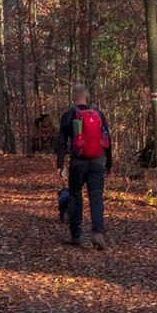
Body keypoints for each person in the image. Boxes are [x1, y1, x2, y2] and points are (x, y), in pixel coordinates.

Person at [54, 83, 113, 249]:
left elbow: (62, 143)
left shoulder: (68, 115)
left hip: (77, 163)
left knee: (75, 197)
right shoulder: (99, 114)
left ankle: (76, 235)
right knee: (96, 198)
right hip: (97, 162)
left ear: (73, 97)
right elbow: (107, 140)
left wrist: (60, 165)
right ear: (86, 95)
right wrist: (109, 162)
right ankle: (98, 233)